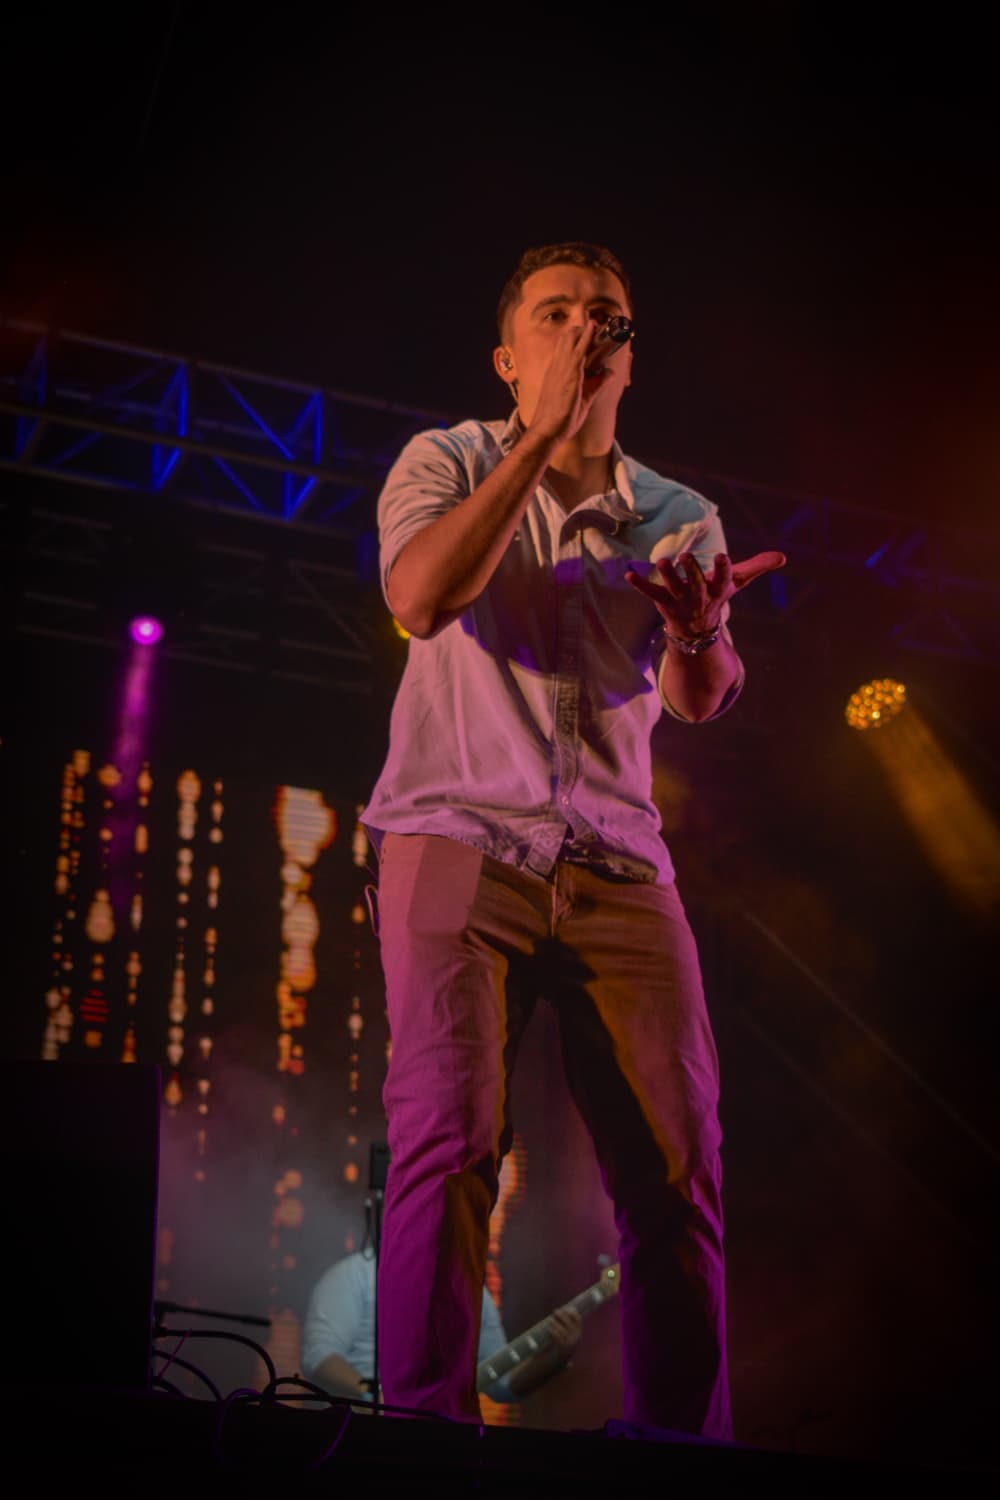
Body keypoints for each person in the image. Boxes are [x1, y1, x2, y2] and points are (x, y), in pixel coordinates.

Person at [360, 242, 785, 1437]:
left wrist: (698, 633)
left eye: (606, 315)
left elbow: (699, 698)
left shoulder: (677, 513)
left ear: (630, 356)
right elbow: (421, 599)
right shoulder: (445, 460)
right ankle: (423, 1437)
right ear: (509, 357)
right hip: (456, 836)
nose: (585, 329)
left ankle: (680, 1446)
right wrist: (538, 440)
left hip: (618, 867)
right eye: (555, 314)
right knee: (448, 1145)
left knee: (678, 1172)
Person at [300, 1248, 582, 1405]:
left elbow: (503, 1386)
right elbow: (319, 1356)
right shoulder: (354, 1274)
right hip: (362, 1437)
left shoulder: (472, 1292)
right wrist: (375, 1396)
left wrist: (556, 1357)